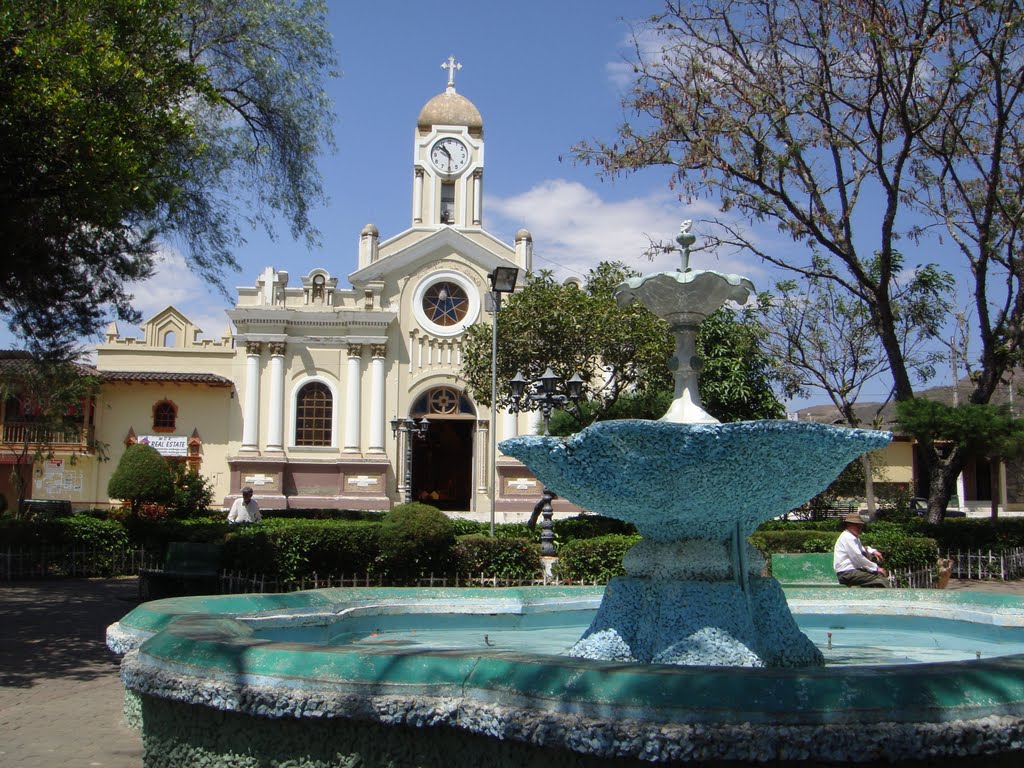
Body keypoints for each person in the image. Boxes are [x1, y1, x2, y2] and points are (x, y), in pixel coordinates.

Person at [833, 511, 888, 587]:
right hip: (847, 573)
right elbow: (858, 557)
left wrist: (873, 551)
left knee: (875, 576)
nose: (860, 529)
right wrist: (876, 568)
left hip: (852, 571)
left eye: (861, 526)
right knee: (879, 577)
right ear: (849, 525)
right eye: (857, 526)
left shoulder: (853, 537)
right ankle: (888, 598)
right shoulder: (848, 538)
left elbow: (862, 548)